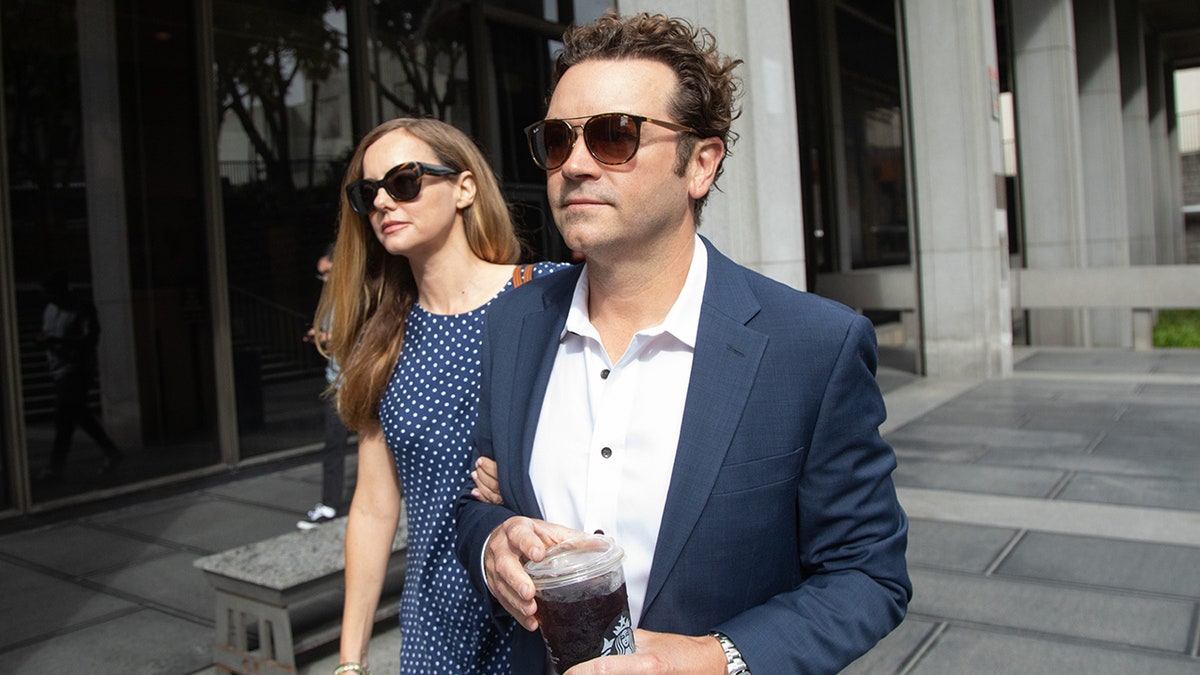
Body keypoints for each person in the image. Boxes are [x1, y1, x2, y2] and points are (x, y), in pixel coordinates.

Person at [456, 12, 910, 675]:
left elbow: (868, 576)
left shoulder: (812, 346)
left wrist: (716, 658)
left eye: (614, 135)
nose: (575, 164)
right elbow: (480, 502)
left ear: (701, 163)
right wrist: (493, 539)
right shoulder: (514, 324)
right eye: (558, 140)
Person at [316, 117, 567, 674]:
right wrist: (350, 662)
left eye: (403, 180)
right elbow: (375, 506)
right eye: (368, 191)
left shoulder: (547, 295)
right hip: (437, 635)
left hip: (542, 620)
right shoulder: (383, 339)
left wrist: (533, 474)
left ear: (464, 187)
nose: (383, 200)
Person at [36, 271, 123, 482]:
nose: (50, 297)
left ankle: (55, 468)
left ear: (63, 289)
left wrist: (57, 341)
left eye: (53, 292)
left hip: (76, 371)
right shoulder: (49, 309)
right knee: (77, 417)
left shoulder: (82, 307)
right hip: (58, 370)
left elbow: (90, 339)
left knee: (64, 417)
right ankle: (111, 451)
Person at [298, 244, 350, 530]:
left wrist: (325, 336)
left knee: (382, 448)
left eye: (328, 272)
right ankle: (329, 504)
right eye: (321, 275)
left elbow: (355, 332)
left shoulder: (354, 293)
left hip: (358, 382)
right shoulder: (329, 296)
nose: (325, 279)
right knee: (334, 445)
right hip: (336, 382)